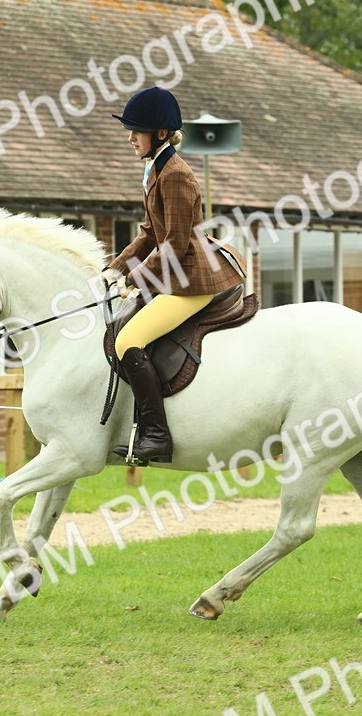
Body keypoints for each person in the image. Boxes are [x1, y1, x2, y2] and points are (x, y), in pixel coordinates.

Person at [101, 86, 245, 465]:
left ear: (161, 134)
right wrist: (115, 268)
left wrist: (134, 280)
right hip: (177, 272)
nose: (130, 138)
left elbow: (176, 244)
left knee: (129, 340)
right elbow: (151, 233)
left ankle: (157, 436)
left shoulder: (175, 175)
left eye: (137, 131)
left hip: (193, 278)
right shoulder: (157, 169)